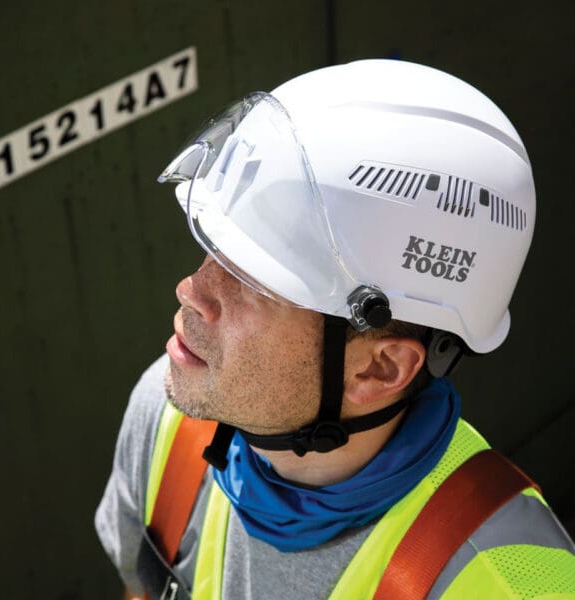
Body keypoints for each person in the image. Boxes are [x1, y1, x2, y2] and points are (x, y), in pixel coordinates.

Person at [95, 60, 575, 599]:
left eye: (257, 283)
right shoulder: (169, 423)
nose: (191, 291)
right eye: (214, 252)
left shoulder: (506, 583)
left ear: (380, 367)